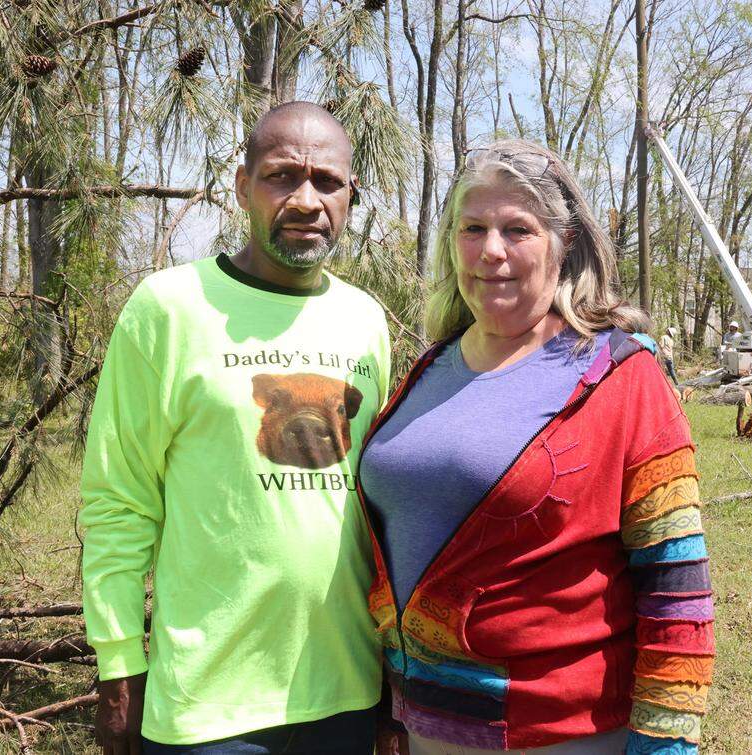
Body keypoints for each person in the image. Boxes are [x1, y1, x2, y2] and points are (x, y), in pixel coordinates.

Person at [359, 141, 713, 755]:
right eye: (473, 228)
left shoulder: (620, 375)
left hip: (559, 733)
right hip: (418, 726)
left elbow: (675, 581)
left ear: (563, 241)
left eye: (517, 228)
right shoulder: (428, 367)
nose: (491, 249)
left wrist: (666, 742)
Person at [80, 102, 390, 755]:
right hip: (207, 707)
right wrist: (117, 668)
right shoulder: (168, 309)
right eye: (283, 177)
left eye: (327, 181)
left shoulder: (365, 320)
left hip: (348, 692)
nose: (307, 199)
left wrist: (395, 679)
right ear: (243, 186)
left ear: (351, 196)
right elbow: (118, 503)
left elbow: (378, 508)